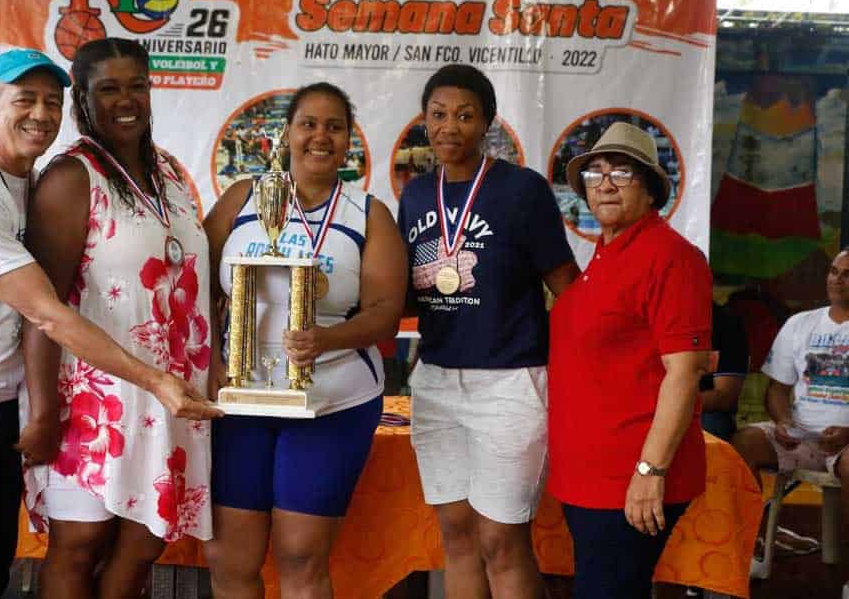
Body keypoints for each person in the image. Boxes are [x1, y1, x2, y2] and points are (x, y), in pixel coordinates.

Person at [0, 48, 220, 599]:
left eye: (49, 101)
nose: (40, 112)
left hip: (1, 396)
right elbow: (46, 312)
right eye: (25, 100)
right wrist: (50, 410)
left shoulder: (40, 177)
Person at [18, 37, 216, 598]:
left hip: (174, 394)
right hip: (95, 402)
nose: (125, 100)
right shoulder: (70, 178)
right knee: (79, 547)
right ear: (82, 97)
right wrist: (43, 411)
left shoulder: (172, 172)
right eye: (107, 89)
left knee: (142, 548)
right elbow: (41, 310)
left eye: (136, 86)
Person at [202, 82, 407, 597]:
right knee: (230, 556)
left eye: (334, 127)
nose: (321, 136)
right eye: (308, 124)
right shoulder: (242, 199)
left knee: (300, 555)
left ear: (349, 142)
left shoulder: (368, 213)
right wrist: (209, 361)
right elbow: (197, 287)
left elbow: (385, 314)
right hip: (239, 398)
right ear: (287, 134)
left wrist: (328, 339)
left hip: (332, 398)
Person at [396, 64, 579, 599]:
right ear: (424, 121)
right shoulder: (415, 195)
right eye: (438, 114)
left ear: (488, 123)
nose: (449, 126)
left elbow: (566, 283)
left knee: (501, 539)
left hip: (510, 381)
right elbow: (404, 291)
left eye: (464, 115)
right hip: (435, 380)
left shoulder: (521, 190)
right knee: (455, 534)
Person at [547, 121, 712, 599]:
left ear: (650, 187)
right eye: (595, 174)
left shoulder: (671, 257)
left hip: (629, 476)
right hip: (586, 477)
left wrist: (649, 471)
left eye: (621, 171)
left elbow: (684, 372)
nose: (606, 183)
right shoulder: (602, 257)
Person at [731, 250, 849, 592]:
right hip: (800, 437)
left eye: (846, 274)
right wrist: (783, 422)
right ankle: (749, 553)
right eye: (833, 271)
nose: (836, 279)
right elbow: (778, 390)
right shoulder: (800, 324)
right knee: (742, 444)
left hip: (847, 444)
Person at [700, 303, 749, 441]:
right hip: (649, 405)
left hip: (701, 412)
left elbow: (726, 397)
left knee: (713, 421)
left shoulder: (724, 322)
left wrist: (671, 404)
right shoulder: (648, 320)